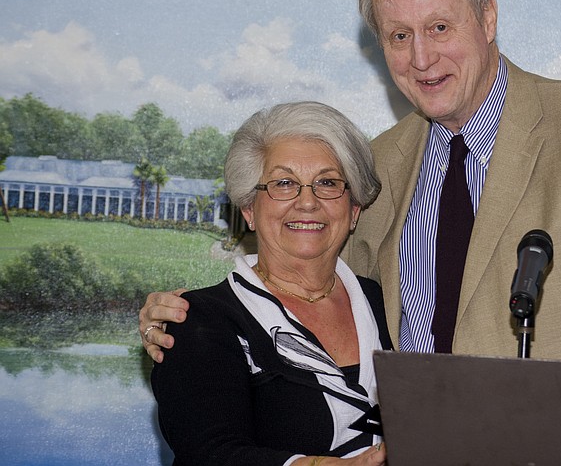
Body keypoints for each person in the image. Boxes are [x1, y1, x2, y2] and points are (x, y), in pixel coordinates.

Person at [141, 0, 561, 369]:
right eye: (399, 36)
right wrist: (197, 321)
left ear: (487, 16)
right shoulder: (376, 163)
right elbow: (310, 285)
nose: (421, 58)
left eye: (440, 27)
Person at [149, 102, 389, 466]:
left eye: (328, 183)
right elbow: (209, 453)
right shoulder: (201, 320)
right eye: (284, 183)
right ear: (249, 209)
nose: (307, 202)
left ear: (354, 210)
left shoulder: (385, 303)